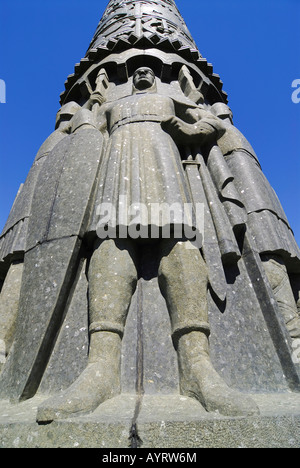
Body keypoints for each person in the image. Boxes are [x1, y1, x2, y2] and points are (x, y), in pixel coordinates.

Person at [37, 67, 259, 422]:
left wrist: (187, 130)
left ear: (155, 78)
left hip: (165, 161)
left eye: (148, 67)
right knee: (111, 242)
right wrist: (92, 102)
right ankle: (101, 369)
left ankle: (198, 367)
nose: (141, 69)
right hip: (116, 164)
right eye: (135, 66)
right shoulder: (112, 107)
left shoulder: (170, 98)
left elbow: (212, 123)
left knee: (182, 241)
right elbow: (83, 131)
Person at [211, 102, 300, 342]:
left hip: (261, 206)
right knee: (270, 254)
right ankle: (292, 336)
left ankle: (294, 336)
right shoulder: (226, 134)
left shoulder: (229, 136)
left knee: (272, 253)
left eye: (225, 113)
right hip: (257, 208)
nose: (225, 115)